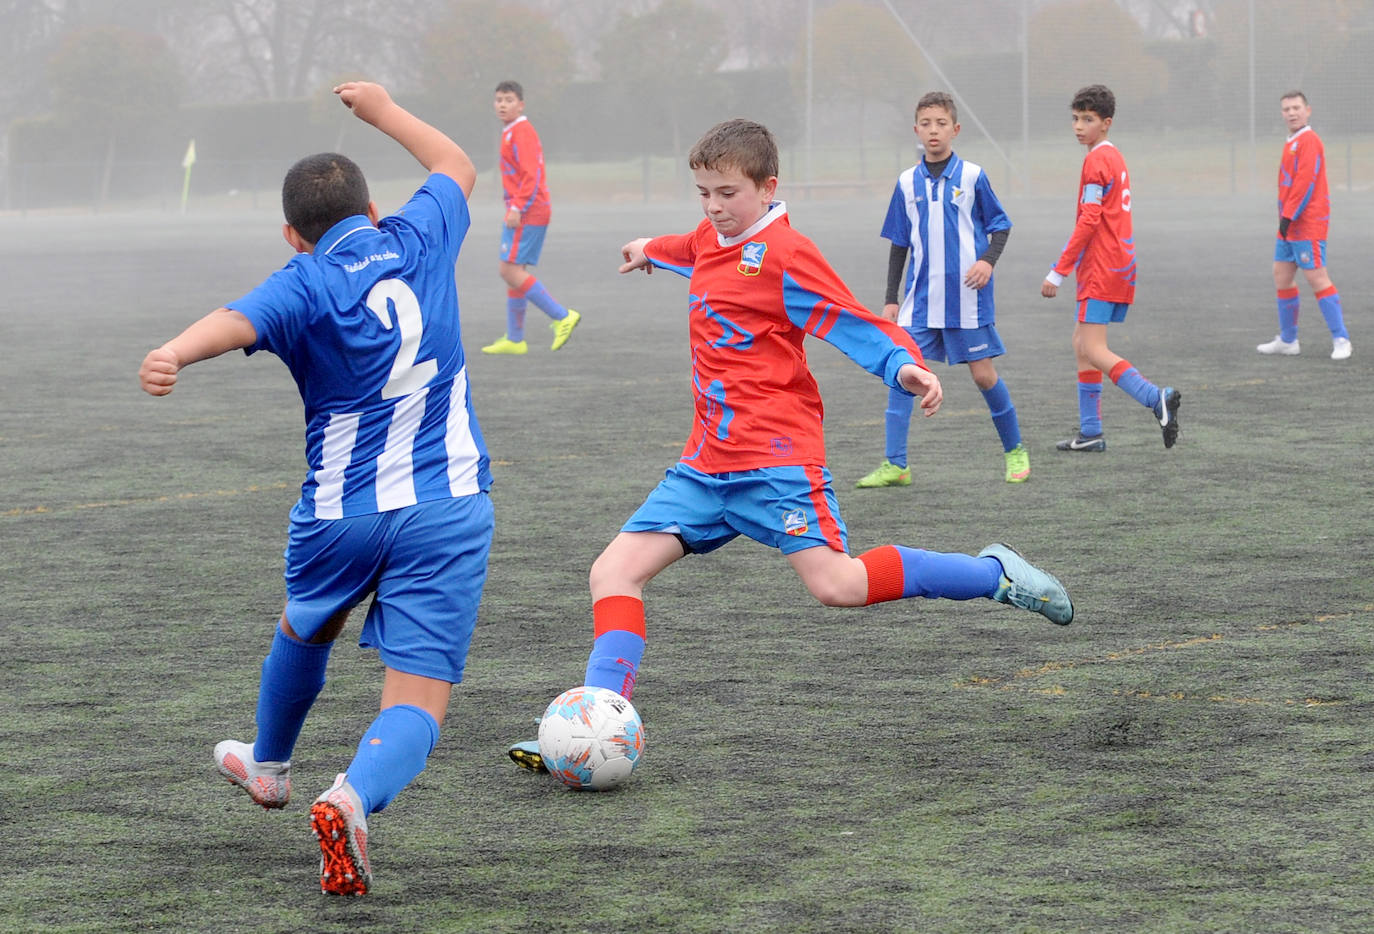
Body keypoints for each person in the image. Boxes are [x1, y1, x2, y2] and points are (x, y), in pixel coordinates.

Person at [505, 118, 1073, 774]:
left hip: (776, 463)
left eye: (727, 194)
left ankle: (993, 574)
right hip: (706, 465)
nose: (714, 207)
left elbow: (852, 320)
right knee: (612, 572)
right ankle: (594, 723)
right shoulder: (712, 235)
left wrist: (903, 366)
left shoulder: (786, 253)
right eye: (703, 193)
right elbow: (692, 247)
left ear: (767, 188)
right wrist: (646, 248)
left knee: (839, 585)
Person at [138, 82, 493, 897]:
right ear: (372, 211)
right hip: (446, 505)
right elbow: (456, 164)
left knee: (307, 624)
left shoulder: (301, 281)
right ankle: (351, 797)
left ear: (294, 236)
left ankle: (269, 767)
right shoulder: (420, 233)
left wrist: (173, 353)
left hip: (339, 513)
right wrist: (381, 110)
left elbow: (236, 320)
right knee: (418, 697)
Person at [857, 91, 1029, 489]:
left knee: (984, 376)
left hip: (967, 301)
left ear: (955, 129)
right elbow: (899, 244)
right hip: (919, 303)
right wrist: (890, 299)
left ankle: (1015, 451)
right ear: (916, 129)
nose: (933, 131)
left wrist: (987, 261)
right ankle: (896, 464)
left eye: (941, 123)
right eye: (926, 123)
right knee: (902, 373)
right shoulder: (905, 183)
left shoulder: (972, 177)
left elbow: (1001, 226)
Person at [1040, 84, 1181, 452]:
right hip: (1119, 264)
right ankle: (1090, 433)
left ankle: (1155, 398)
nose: (1078, 126)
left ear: (1106, 123)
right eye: (1075, 118)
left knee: (1094, 347)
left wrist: (1059, 270)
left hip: (1101, 268)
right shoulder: (1114, 157)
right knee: (1081, 344)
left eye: (1087, 119)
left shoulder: (1096, 160)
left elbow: (1089, 220)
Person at [480, 80, 581, 355]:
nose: (502, 104)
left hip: (528, 210)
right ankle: (515, 339)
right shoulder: (511, 130)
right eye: (499, 99)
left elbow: (531, 175)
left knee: (508, 270)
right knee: (514, 271)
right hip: (525, 208)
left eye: (509, 100)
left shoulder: (521, 131)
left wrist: (517, 207)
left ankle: (562, 316)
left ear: (521, 104)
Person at [1256, 90, 1352, 360]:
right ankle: (1288, 340)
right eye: (1286, 109)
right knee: (1282, 276)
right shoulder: (1292, 141)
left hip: (1306, 224)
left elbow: (1305, 183)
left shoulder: (1309, 140)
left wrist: (1288, 216)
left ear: (1308, 110)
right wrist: (1285, 219)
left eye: (1296, 108)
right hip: (1288, 224)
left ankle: (1341, 338)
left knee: (1317, 278)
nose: (1292, 113)